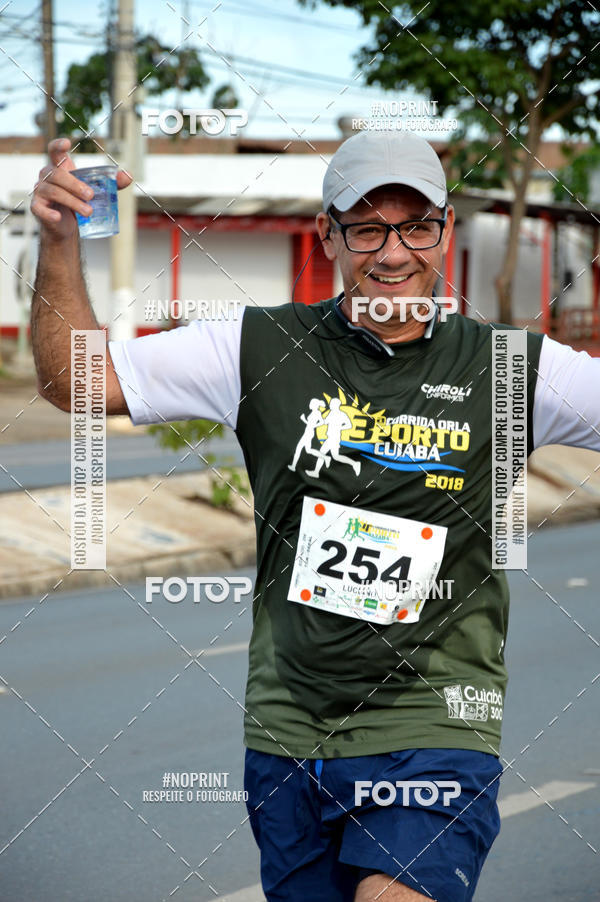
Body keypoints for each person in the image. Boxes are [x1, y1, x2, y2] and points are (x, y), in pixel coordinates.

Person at [30, 130, 600, 902]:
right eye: (366, 228)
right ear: (328, 234)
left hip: (434, 722)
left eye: (415, 227)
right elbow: (79, 382)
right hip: (289, 732)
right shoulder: (258, 347)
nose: (392, 253)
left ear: (445, 234)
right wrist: (59, 242)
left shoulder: (510, 368)